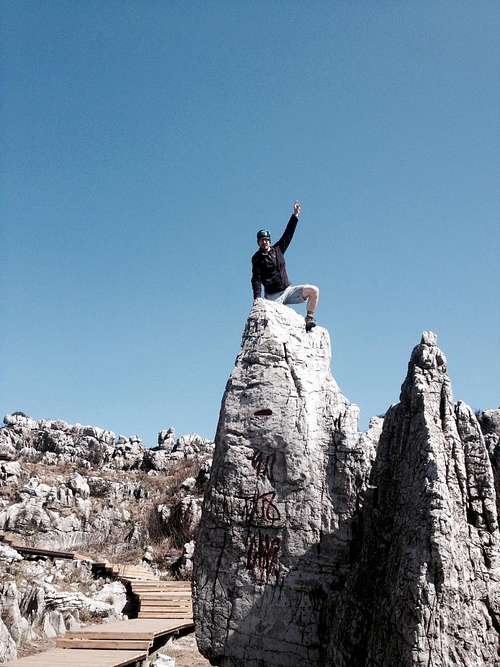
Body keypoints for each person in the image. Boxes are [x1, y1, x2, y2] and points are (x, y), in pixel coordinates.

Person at [251, 201, 320, 332]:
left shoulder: (278, 249)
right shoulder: (257, 259)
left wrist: (295, 215)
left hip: (288, 290)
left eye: (266, 239)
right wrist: (257, 298)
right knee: (271, 325)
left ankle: (309, 319)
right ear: (258, 242)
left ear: (269, 240)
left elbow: (288, 234)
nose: (264, 242)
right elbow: (256, 279)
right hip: (273, 296)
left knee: (314, 291)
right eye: (261, 240)